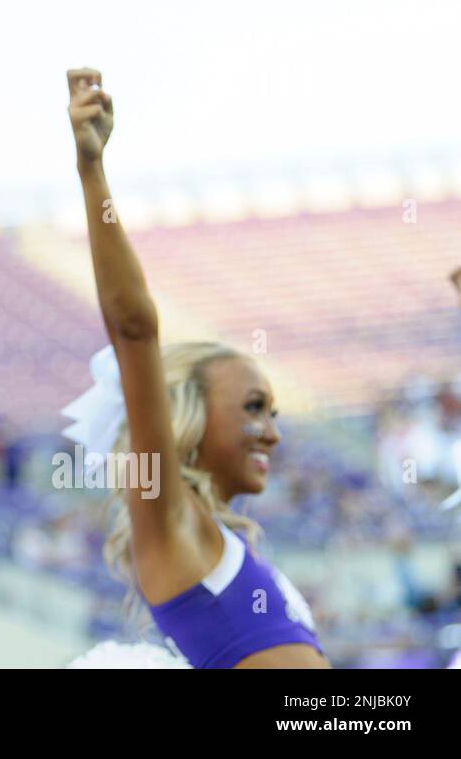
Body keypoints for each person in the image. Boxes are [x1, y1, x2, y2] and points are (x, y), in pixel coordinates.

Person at [62, 67, 327, 669]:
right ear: (186, 415)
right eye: (253, 407)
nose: (273, 431)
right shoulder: (169, 517)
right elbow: (134, 329)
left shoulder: (221, 540)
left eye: (274, 413)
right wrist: (92, 170)